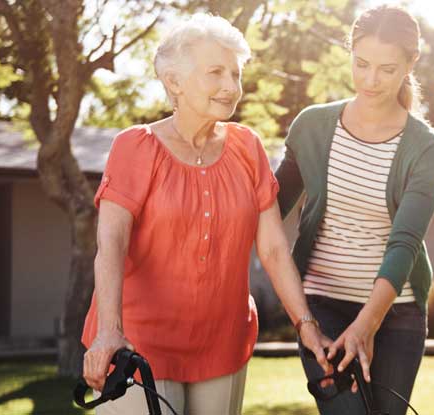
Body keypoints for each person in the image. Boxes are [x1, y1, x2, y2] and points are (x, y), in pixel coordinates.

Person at [80, 14, 334, 415]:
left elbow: (271, 248)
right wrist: (109, 330)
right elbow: (111, 243)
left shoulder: (247, 147)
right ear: (174, 81)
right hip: (137, 339)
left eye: (235, 74)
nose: (231, 86)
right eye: (216, 72)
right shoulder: (135, 147)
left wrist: (305, 324)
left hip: (221, 341)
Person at [273, 5, 434, 414]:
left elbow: (405, 243)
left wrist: (367, 325)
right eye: (361, 63)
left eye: (387, 68)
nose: (371, 80)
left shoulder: (425, 148)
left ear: (410, 63)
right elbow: (266, 209)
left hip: (396, 315)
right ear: (349, 54)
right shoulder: (311, 127)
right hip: (322, 308)